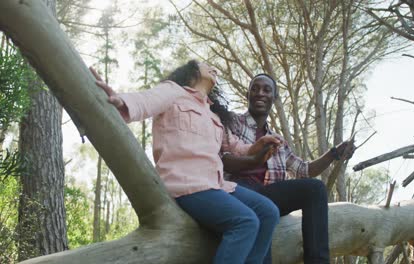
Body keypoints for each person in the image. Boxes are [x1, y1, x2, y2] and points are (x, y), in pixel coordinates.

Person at [90, 61, 283, 264]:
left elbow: (236, 147)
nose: (213, 68)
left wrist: (259, 144)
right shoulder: (173, 91)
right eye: (206, 65)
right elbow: (145, 100)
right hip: (187, 184)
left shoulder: (213, 114)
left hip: (216, 186)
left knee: (269, 212)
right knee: (245, 221)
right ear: (192, 71)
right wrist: (120, 99)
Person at [209, 73, 355, 264]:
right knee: (262, 221)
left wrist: (334, 153)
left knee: (315, 188)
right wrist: (255, 158)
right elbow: (224, 159)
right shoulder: (232, 122)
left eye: (267, 90)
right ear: (248, 95)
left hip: (269, 193)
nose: (260, 93)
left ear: (274, 98)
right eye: (255, 88)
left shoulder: (278, 141)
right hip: (239, 190)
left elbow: (304, 170)